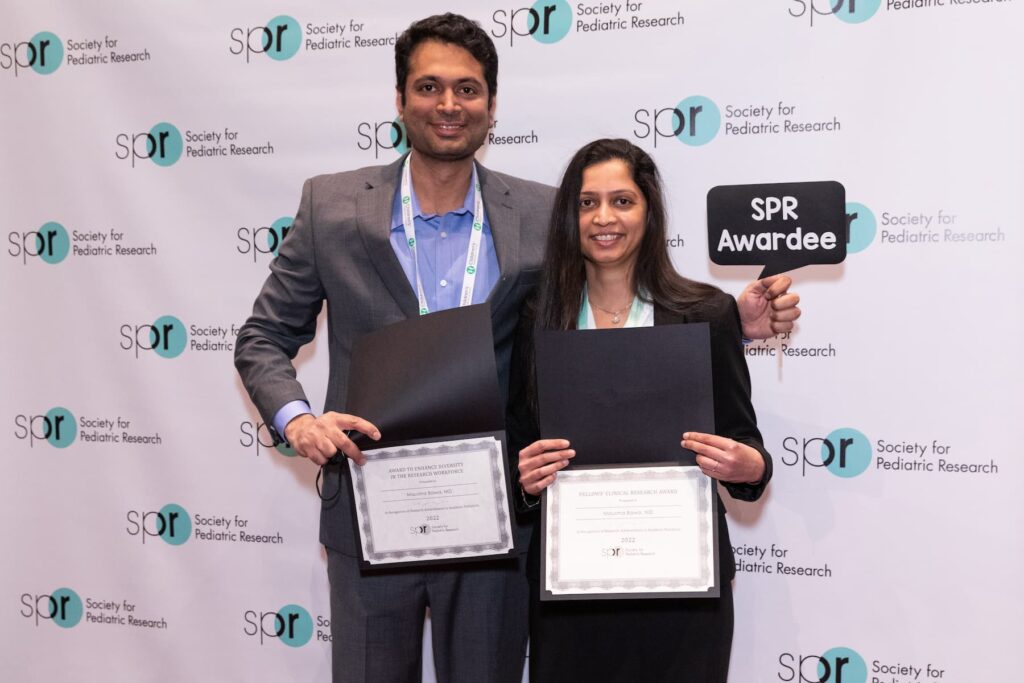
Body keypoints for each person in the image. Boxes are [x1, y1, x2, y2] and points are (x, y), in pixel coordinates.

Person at [235, 14, 795, 683]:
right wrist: (298, 420)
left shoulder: (544, 214)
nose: (448, 105)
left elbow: (613, 313)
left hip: (497, 522)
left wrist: (729, 321)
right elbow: (263, 336)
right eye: (430, 87)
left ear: (492, 107)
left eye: (467, 89)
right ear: (399, 99)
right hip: (370, 512)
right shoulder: (329, 209)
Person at [511, 138, 772, 682]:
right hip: (572, 588)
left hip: (682, 589)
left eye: (622, 201)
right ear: (568, 217)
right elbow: (520, 448)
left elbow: (748, 448)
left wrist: (748, 467)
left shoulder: (706, 313)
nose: (604, 217)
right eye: (587, 203)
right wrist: (526, 479)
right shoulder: (539, 317)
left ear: (649, 212)